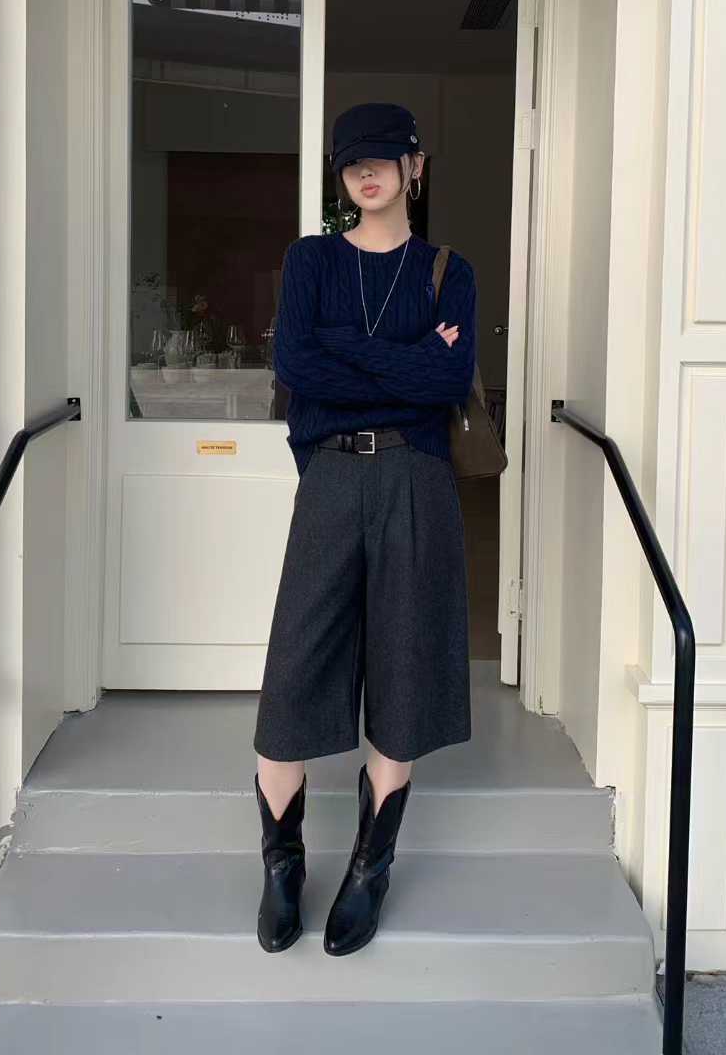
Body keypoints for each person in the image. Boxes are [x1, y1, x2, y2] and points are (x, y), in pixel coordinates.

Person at [252, 100, 477, 958]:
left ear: (415, 166)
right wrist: (408, 363)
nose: (367, 173)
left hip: (417, 480)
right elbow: (295, 365)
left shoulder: (448, 272)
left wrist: (348, 353)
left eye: (383, 158)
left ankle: (369, 869)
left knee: (403, 668)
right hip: (332, 478)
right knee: (295, 667)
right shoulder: (310, 260)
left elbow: (446, 383)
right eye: (353, 162)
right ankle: (281, 865)